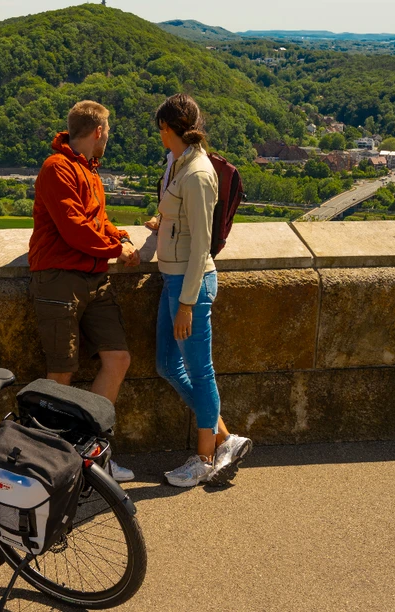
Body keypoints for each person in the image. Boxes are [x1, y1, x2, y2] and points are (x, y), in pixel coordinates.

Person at [29, 100, 140, 482]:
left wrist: (119, 236)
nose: (108, 137)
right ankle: (50, 467)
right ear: (97, 132)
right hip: (60, 277)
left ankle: (89, 455)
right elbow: (74, 228)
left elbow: (96, 220)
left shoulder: (87, 171)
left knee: (118, 358)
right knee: (60, 374)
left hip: (94, 279)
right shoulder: (56, 168)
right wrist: (115, 249)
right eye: (108, 131)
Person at [145, 93, 251, 488]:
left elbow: (202, 241)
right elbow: (183, 220)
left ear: (167, 129)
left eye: (160, 129)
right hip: (172, 277)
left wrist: (187, 302)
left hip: (190, 283)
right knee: (166, 365)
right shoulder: (178, 165)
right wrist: (163, 222)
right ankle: (225, 436)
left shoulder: (198, 173)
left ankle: (206, 458)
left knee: (200, 370)